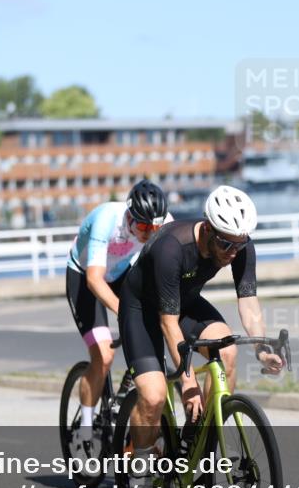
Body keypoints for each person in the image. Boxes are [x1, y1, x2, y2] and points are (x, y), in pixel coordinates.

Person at [118, 185, 284, 471]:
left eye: (239, 245)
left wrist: (262, 349)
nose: (233, 253)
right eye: (226, 245)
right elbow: (167, 322)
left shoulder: (239, 243)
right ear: (207, 228)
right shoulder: (171, 247)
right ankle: (141, 464)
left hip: (184, 303)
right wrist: (188, 382)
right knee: (154, 396)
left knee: (227, 351)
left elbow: (249, 302)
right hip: (141, 310)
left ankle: (198, 439)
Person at [65, 180, 170, 441]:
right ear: (129, 216)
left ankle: (127, 395)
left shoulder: (163, 223)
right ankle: (85, 429)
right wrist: (125, 313)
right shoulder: (107, 219)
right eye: (143, 227)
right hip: (85, 276)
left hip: (121, 273)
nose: (149, 233)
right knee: (104, 355)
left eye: (155, 228)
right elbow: (94, 280)